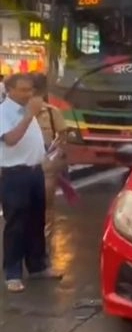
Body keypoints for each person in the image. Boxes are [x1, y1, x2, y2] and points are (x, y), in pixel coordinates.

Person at [0, 73, 61, 293]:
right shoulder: (4, 112)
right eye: (23, 90)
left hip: (36, 172)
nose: (29, 94)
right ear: (10, 90)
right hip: (14, 175)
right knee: (16, 224)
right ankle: (13, 273)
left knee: (37, 220)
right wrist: (28, 116)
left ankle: (37, 266)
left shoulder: (29, 109)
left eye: (31, 90)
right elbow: (11, 139)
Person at [31, 73, 68, 240]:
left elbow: (62, 137)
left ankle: (44, 235)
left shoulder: (53, 113)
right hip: (22, 166)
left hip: (46, 166)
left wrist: (56, 155)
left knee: (46, 203)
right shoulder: (16, 113)